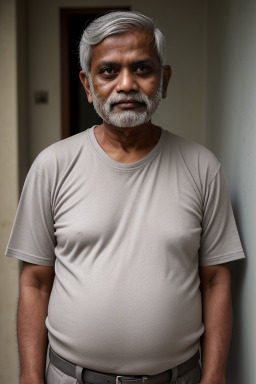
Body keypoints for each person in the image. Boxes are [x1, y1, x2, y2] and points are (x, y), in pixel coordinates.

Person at [6, 10, 245, 384]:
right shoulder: (52, 166)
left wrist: (214, 376)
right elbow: (34, 282)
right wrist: (30, 377)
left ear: (163, 80)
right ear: (88, 85)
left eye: (143, 69)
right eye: (108, 71)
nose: (126, 84)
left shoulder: (203, 167)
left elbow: (216, 280)